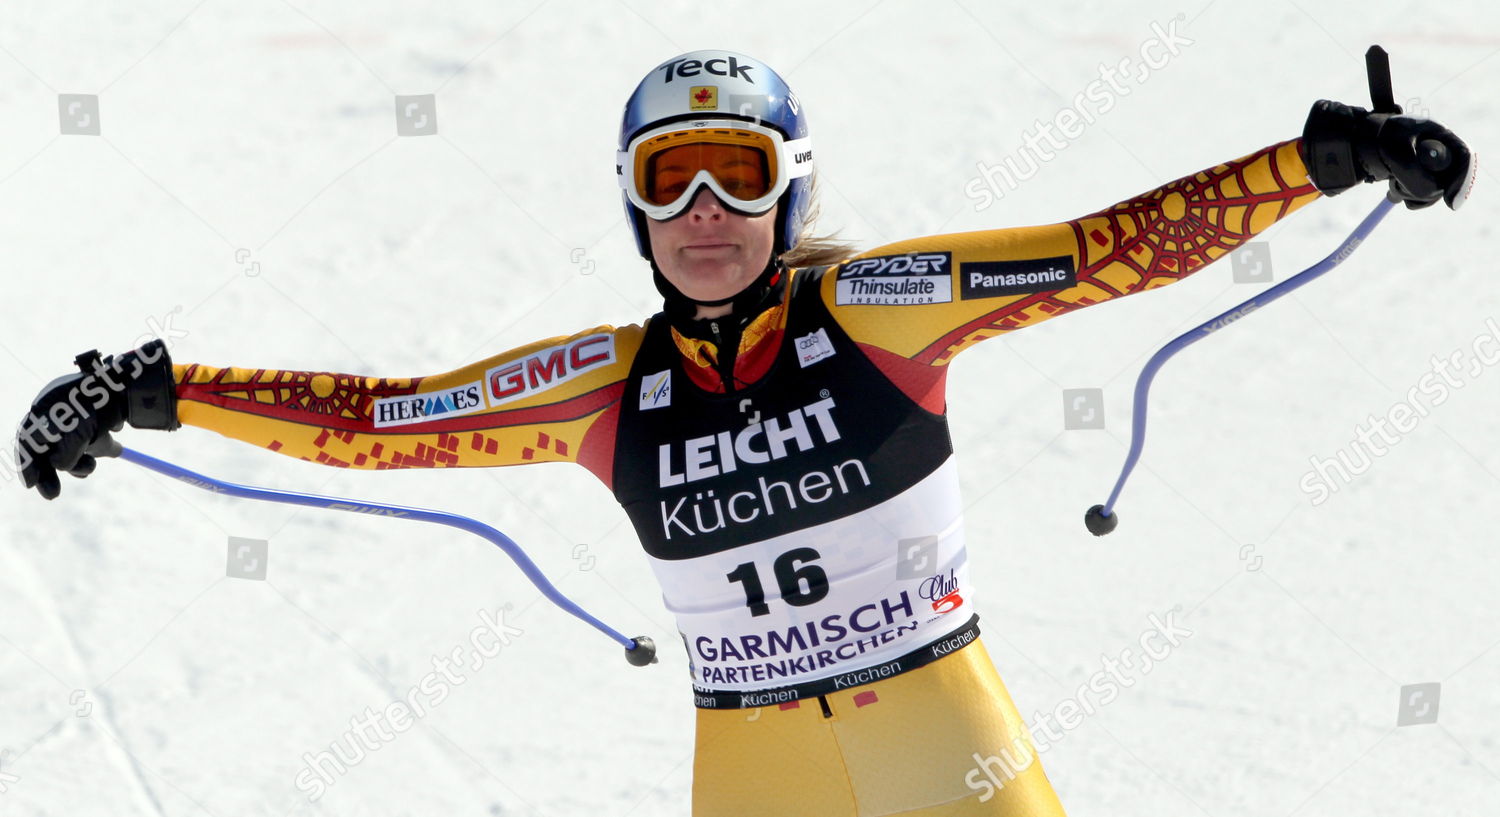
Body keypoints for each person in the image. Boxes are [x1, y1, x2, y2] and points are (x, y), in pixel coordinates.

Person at [15, 49, 1472, 815]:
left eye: (737, 174)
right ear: (635, 207)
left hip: (939, 737)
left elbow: (1102, 250)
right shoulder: (602, 381)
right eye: (671, 182)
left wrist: (1317, 159)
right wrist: (157, 383)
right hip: (752, 770)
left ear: (789, 188)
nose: (704, 213)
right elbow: (383, 423)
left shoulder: (881, 305)